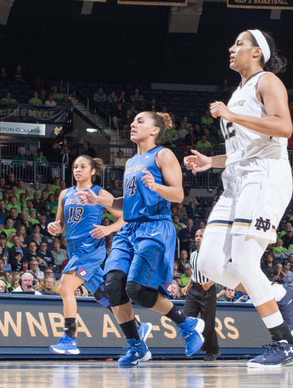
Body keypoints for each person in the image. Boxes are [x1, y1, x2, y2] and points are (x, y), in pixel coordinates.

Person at [184, 30, 293, 367]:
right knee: (206, 265)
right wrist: (211, 161)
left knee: (245, 260)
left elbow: (284, 128)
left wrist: (233, 116)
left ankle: (284, 344)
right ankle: (282, 293)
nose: (231, 47)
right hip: (236, 178)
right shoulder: (237, 93)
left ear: (256, 52)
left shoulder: (267, 81)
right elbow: (242, 148)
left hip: (264, 175)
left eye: (239, 43)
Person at [83, 111, 204, 367]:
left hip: (154, 227)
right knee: (113, 286)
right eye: (133, 121)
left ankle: (188, 325)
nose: (133, 124)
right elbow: (124, 203)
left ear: (154, 130)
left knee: (136, 290)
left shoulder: (163, 155)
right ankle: (137, 346)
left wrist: (156, 187)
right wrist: (99, 200)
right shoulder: (131, 163)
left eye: (140, 121)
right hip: (129, 230)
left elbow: (178, 195)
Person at [46, 155, 137, 355]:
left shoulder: (99, 193)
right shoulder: (64, 194)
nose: (78, 170)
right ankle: (137, 327)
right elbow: (60, 226)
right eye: (75, 167)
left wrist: (108, 229)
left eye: (83, 166)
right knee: (104, 295)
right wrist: (53, 227)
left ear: (93, 171)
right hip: (73, 248)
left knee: (65, 286)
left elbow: (126, 217)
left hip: (90, 247)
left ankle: (69, 339)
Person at [182, 228, 221, 361]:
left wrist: (210, 283)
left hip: (208, 290)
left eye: (201, 236)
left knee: (208, 324)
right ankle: (197, 343)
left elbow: (221, 272)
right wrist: (187, 286)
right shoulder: (193, 254)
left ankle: (213, 350)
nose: (198, 238)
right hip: (194, 289)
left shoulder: (213, 254)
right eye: (196, 236)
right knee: (186, 318)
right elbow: (194, 274)